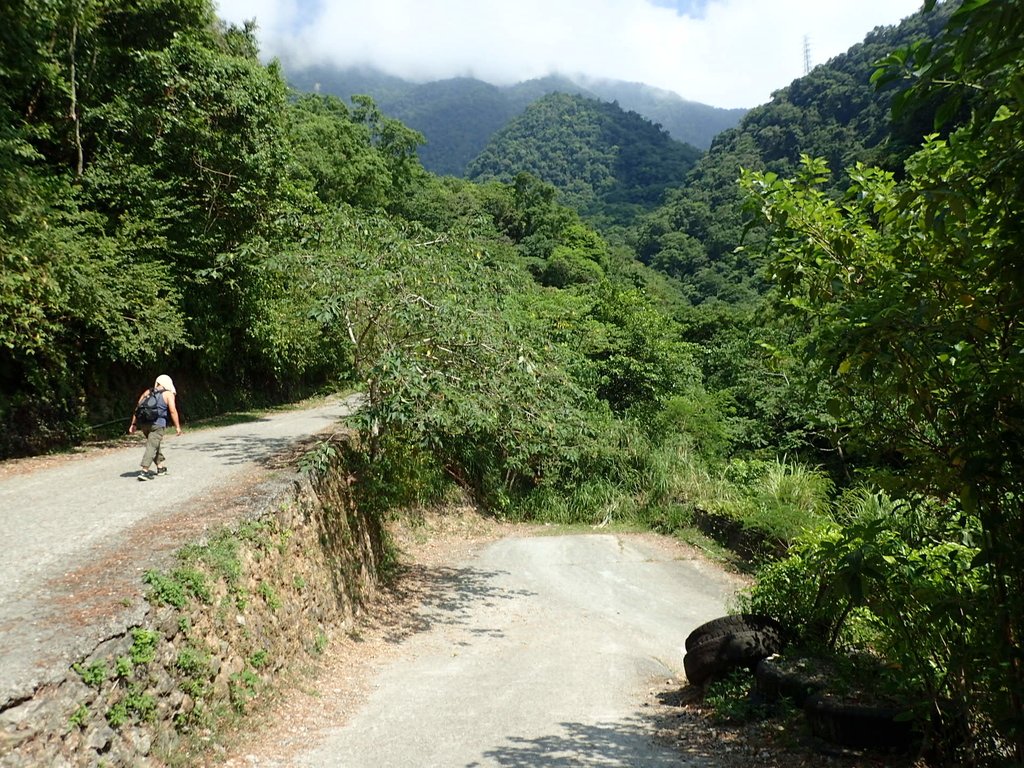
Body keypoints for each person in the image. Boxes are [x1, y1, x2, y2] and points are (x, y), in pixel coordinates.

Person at [128, 374, 182, 481]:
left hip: (144, 424)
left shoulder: (148, 392)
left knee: (154, 444)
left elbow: (138, 408)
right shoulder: (168, 394)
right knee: (152, 446)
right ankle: (144, 471)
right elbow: (172, 411)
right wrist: (177, 426)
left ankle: (160, 467)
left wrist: (133, 424)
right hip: (158, 425)